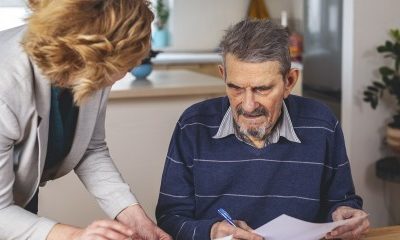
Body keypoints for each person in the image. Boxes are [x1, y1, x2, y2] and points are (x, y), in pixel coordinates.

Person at [156, 19, 370, 240]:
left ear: (289, 81)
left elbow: (342, 202)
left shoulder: (322, 124)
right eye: (236, 88)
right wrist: (211, 231)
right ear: (223, 75)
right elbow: (169, 218)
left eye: (262, 89)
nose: (248, 105)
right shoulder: (193, 125)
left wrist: (345, 214)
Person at [0, 0, 171, 239]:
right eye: (128, 62)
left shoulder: (87, 68)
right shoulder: (5, 86)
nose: (132, 68)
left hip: (16, 206)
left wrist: (136, 220)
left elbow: (89, 148)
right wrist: (75, 236)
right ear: (94, 53)